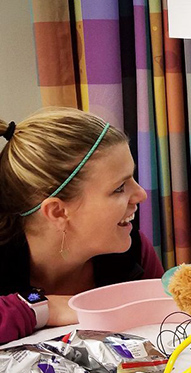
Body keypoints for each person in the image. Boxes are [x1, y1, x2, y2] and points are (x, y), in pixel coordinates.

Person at [0, 108, 164, 344]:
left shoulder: (133, 253)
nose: (140, 194)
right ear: (58, 211)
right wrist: (43, 307)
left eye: (132, 178)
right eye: (119, 188)